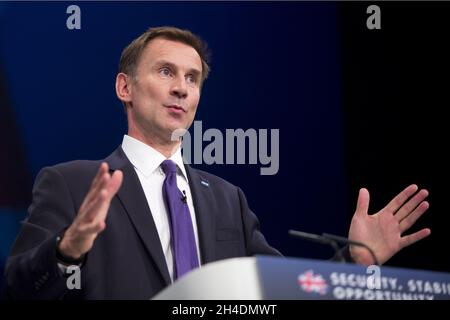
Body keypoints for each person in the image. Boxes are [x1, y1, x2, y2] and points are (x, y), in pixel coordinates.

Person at [4, 26, 431, 300]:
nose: (182, 89)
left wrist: (358, 261)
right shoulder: (71, 182)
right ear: (124, 87)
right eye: (166, 72)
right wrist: (67, 250)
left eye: (192, 79)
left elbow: (280, 290)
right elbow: (19, 287)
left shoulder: (227, 199)